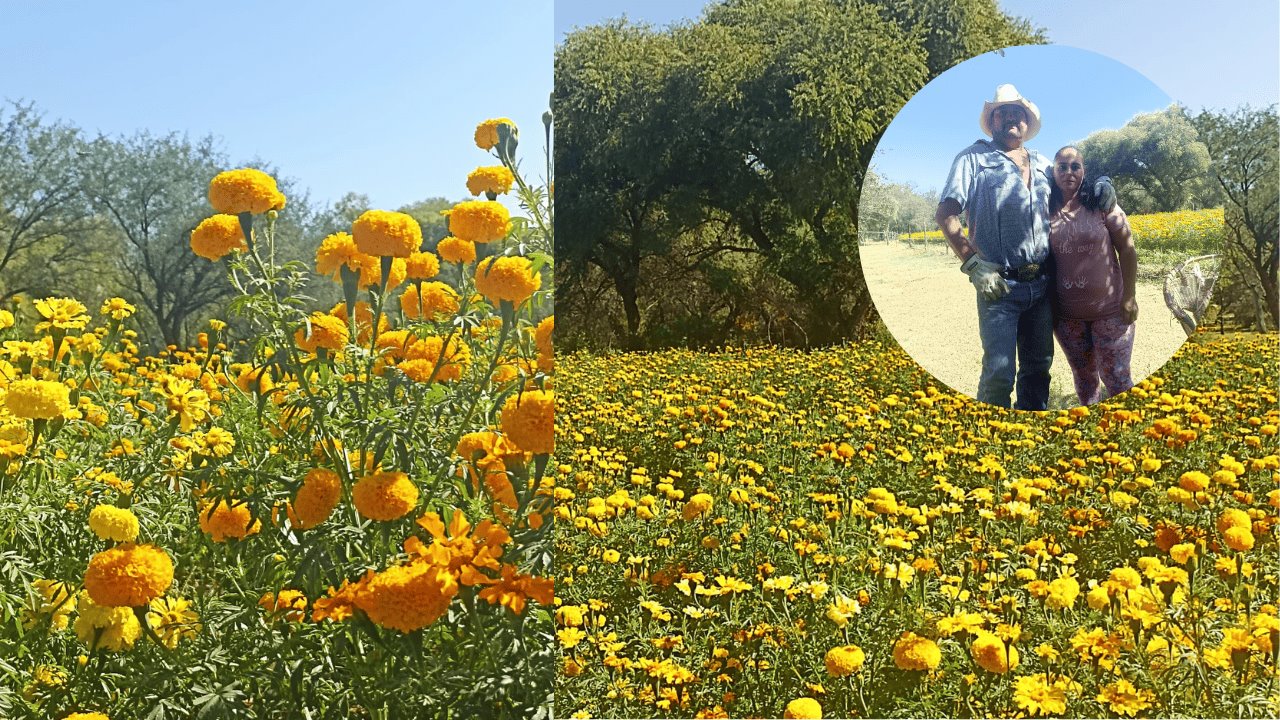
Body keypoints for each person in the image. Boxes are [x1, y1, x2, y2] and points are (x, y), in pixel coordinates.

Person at [934, 84, 1114, 410]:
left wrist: (1101, 185)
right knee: (999, 374)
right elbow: (945, 213)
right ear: (993, 120)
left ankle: (1029, 443)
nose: (1012, 119)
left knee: (1038, 369)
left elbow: (1074, 188)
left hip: (1042, 286)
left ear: (1027, 122)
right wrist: (973, 264)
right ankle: (991, 443)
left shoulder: (1044, 162)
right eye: (1004, 113)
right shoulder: (972, 159)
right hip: (999, 287)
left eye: (1019, 113)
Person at [1047, 145, 1138, 405]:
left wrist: (1130, 297)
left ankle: (1127, 430)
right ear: (1053, 172)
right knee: (1085, 379)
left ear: (1084, 171)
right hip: (1067, 319)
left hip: (1111, 313)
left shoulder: (1102, 203)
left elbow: (1128, 250)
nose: (1068, 172)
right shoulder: (1044, 206)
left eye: (1075, 166)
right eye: (1061, 167)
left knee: (1118, 378)